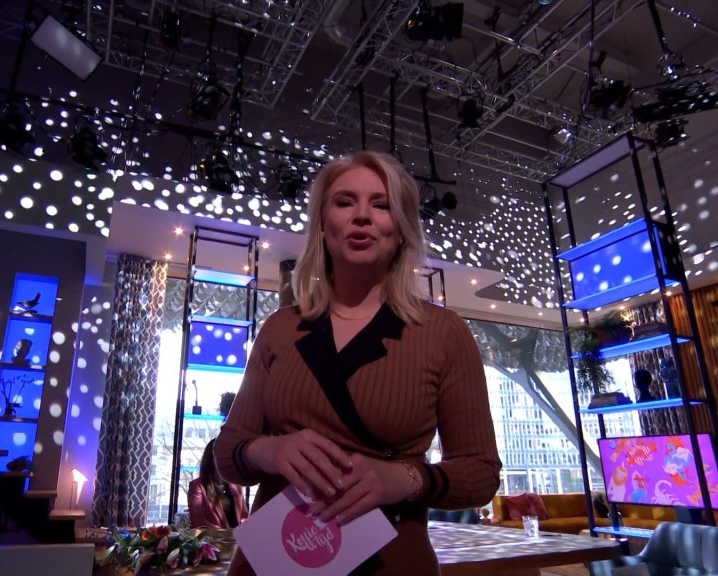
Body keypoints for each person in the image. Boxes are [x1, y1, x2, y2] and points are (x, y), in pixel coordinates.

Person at [214, 151, 502, 575]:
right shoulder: (280, 328)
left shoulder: (443, 331)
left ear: (401, 230)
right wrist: (269, 451)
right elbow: (226, 453)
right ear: (322, 226)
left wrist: (405, 479)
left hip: (391, 561)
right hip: (277, 558)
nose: (362, 215)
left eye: (381, 205)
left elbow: (480, 473)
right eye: (345, 202)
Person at [188, 439, 249, 529]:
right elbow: (200, 524)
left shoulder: (236, 485)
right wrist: (228, 534)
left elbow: (244, 516)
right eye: (224, 457)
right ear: (212, 460)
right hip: (214, 538)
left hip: (238, 537)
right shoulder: (198, 487)